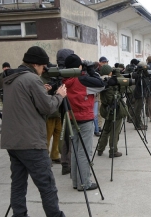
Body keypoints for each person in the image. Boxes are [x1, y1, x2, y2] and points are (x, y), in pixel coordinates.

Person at [0, 46, 66, 217]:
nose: (44, 69)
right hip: (30, 142)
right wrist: (59, 95)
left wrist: (41, 91)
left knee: (18, 184)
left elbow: (23, 101)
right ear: (36, 64)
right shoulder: (31, 79)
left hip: (12, 141)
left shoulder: (11, 78)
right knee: (47, 184)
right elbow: (48, 107)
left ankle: (19, 214)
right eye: (43, 66)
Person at [63, 53, 105, 191]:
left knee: (75, 150)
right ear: (79, 67)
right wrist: (91, 69)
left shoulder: (64, 79)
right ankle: (84, 183)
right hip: (85, 118)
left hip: (71, 117)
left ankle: (76, 181)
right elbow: (101, 85)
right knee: (84, 151)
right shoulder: (82, 80)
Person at [97, 64, 128, 157]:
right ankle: (113, 151)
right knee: (115, 131)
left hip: (106, 108)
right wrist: (118, 75)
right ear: (110, 72)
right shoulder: (112, 82)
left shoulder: (102, 81)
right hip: (115, 109)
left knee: (106, 130)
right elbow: (123, 88)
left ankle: (100, 149)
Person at [56, 48, 75, 175]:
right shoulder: (70, 73)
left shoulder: (56, 72)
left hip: (61, 107)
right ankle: (70, 163)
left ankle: (65, 163)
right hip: (70, 107)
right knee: (71, 135)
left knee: (65, 135)